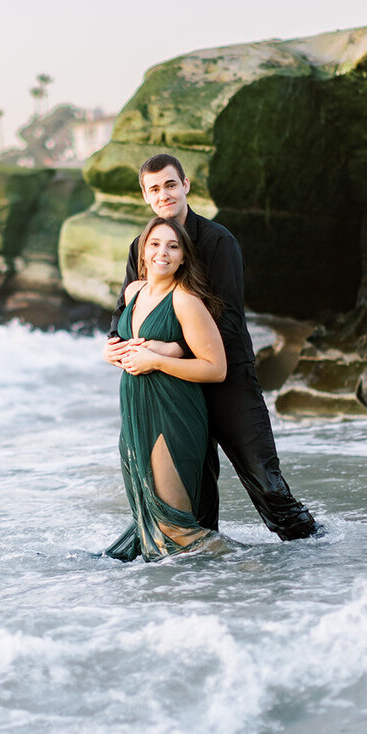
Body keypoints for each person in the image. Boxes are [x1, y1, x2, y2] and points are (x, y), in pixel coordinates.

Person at [103, 153, 320, 541]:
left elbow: (231, 319)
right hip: (174, 389)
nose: (164, 194)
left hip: (227, 379)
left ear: (185, 186)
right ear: (145, 196)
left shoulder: (220, 241)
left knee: (265, 482)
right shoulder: (143, 244)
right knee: (196, 498)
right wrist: (113, 347)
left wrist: (172, 350)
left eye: (170, 184)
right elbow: (128, 306)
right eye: (154, 189)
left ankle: (313, 557)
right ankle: (208, 586)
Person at [104, 216, 227, 562]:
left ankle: (249, 567)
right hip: (134, 412)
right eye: (155, 244)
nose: (163, 252)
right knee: (151, 524)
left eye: (173, 246)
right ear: (142, 252)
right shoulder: (133, 291)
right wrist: (110, 350)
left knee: (175, 527)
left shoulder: (186, 301)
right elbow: (129, 345)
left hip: (172, 412)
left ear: (184, 256)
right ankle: (170, 600)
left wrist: (159, 360)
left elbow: (216, 368)